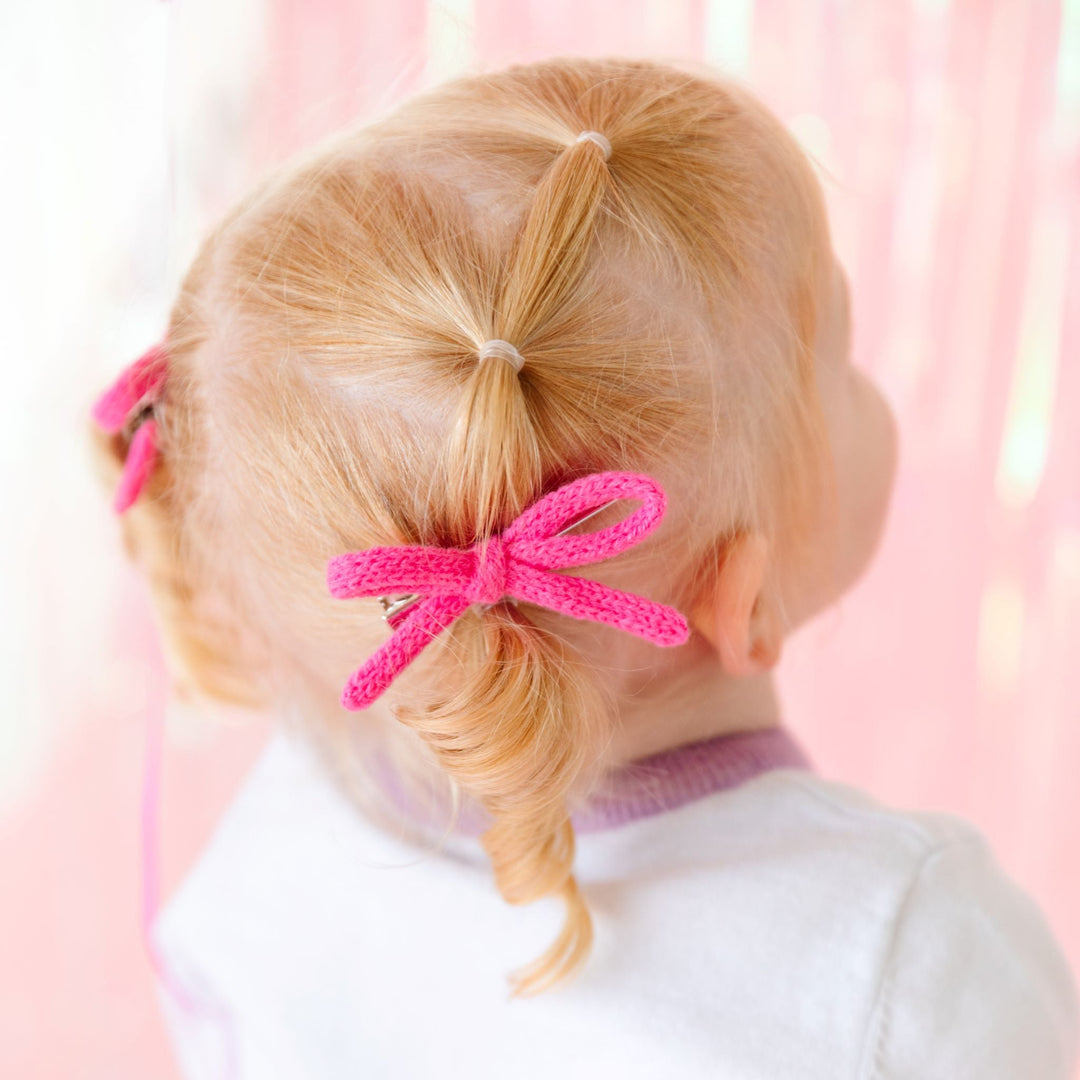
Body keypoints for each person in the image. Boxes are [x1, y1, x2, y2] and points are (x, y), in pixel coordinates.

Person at [92, 57, 1077, 1078]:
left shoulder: (293, 812)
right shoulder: (913, 959)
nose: (871, 383)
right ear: (741, 595)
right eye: (839, 348)